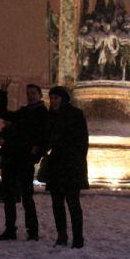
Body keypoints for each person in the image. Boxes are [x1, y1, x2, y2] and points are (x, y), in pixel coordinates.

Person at [0, 78, 49, 241]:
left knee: (27, 197)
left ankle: (32, 231)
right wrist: (3, 93)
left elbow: (45, 137)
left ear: (40, 95)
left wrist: (35, 154)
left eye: (33, 93)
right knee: (9, 196)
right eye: (28, 94)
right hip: (11, 158)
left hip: (25, 159)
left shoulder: (42, 114)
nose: (30, 96)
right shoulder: (24, 111)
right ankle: (10, 229)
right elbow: (3, 114)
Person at [44, 86, 89, 249]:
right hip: (56, 164)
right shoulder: (50, 116)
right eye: (52, 98)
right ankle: (61, 236)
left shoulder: (76, 114)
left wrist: (77, 161)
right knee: (57, 203)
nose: (53, 101)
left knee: (73, 203)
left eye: (56, 98)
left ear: (63, 99)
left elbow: (83, 141)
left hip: (71, 165)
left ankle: (78, 238)